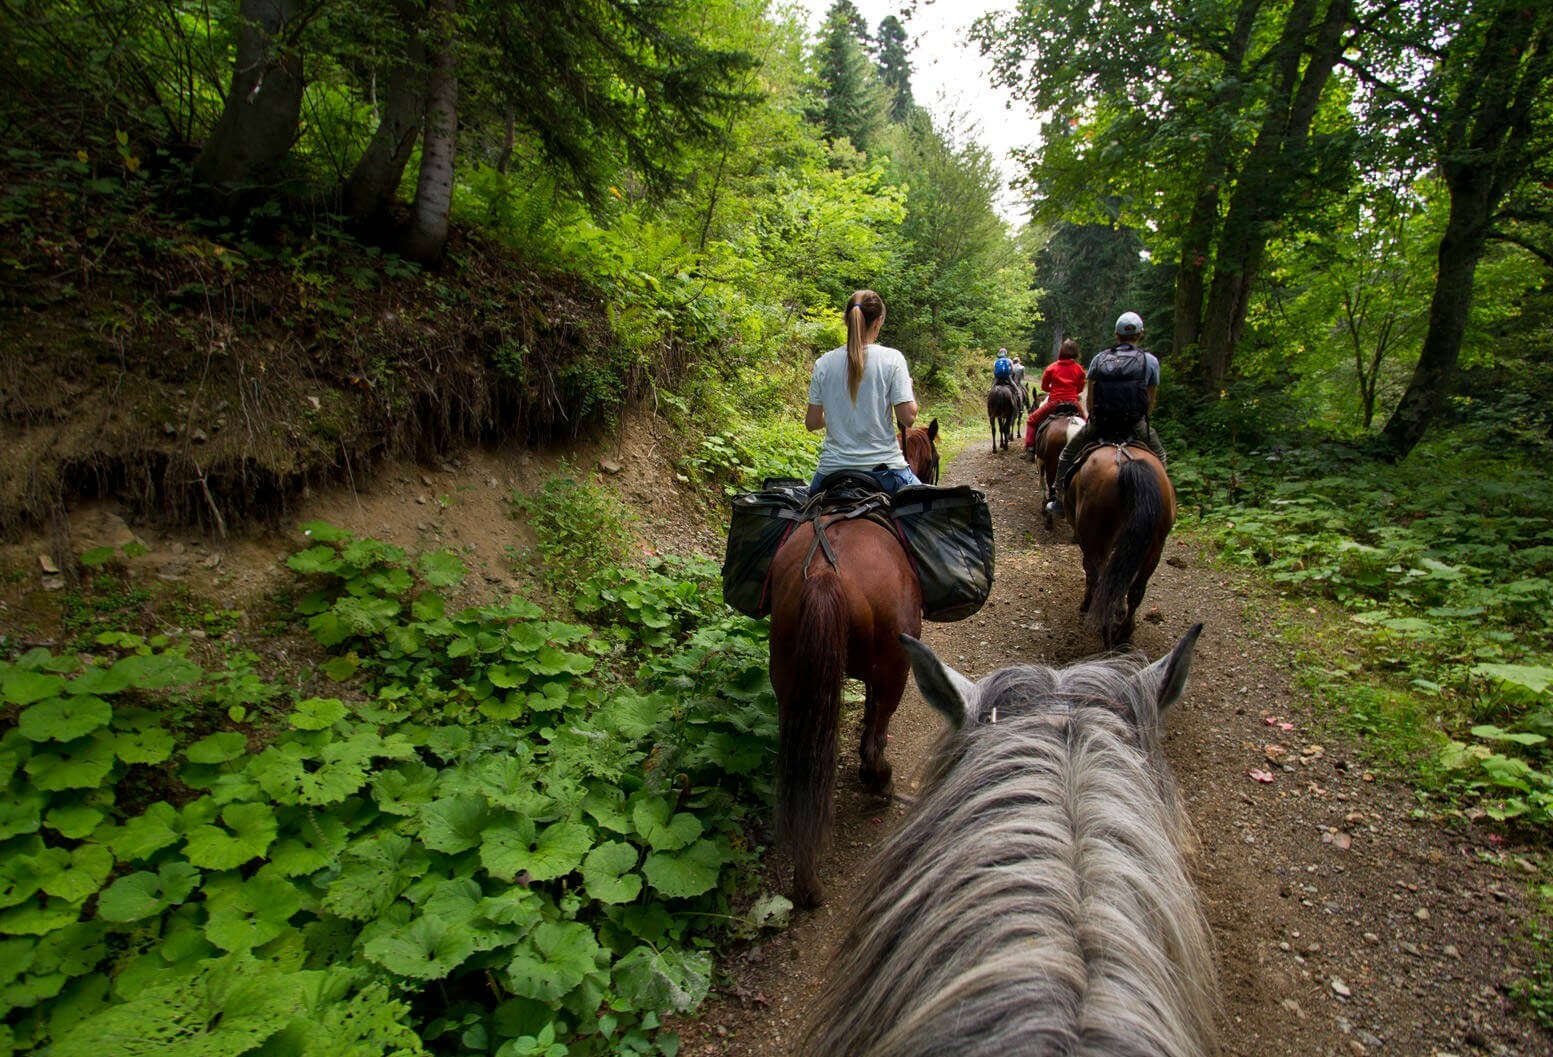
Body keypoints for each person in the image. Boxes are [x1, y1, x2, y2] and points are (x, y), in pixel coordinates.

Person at [1047, 311, 1167, 517]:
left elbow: (1091, 398)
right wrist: (1140, 420)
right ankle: (1164, 504)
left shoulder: (1099, 359)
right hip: (1134, 423)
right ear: (1140, 334)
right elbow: (1150, 399)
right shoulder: (1150, 361)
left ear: (1116, 335)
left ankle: (1059, 500)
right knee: (1161, 455)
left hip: (1102, 422)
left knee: (1067, 454)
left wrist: (1094, 417)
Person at [806, 289, 922, 496]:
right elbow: (908, 418)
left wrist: (836, 413)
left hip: (831, 472)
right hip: (886, 472)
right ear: (878, 321)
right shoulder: (892, 359)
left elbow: (812, 423)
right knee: (928, 517)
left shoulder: (823, 363)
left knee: (800, 516)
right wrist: (909, 390)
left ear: (846, 321)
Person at [1023, 338, 1087, 455]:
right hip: (1073, 402)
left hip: (1054, 403)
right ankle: (1089, 447)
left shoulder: (1052, 367)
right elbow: (1081, 388)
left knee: (1032, 420)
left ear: (1061, 352)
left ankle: (1030, 446)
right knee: (1087, 423)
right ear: (1076, 353)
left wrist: (1052, 389)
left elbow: (1044, 387)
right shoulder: (1079, 369)